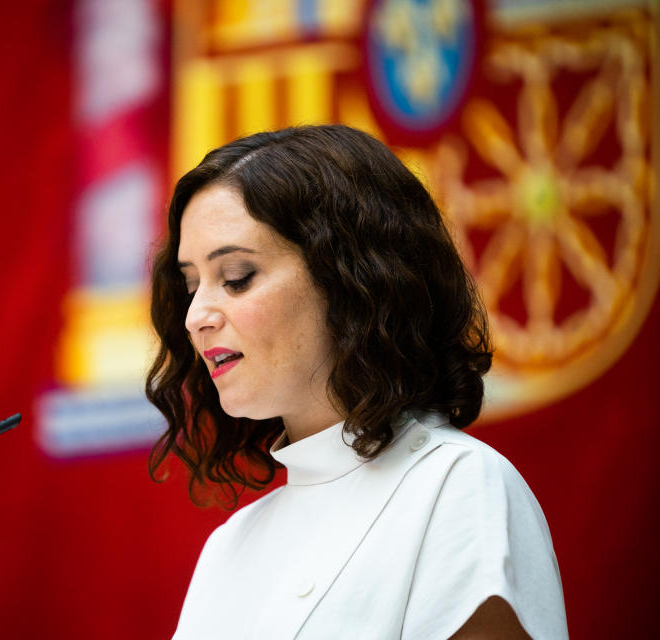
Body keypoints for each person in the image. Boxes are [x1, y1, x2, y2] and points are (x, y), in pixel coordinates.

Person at [146, 125, 567, 639]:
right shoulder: (229, 545)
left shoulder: (457, 486)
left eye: (236, 277)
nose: (196, 316)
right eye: (191, 285)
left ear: (351, 278)